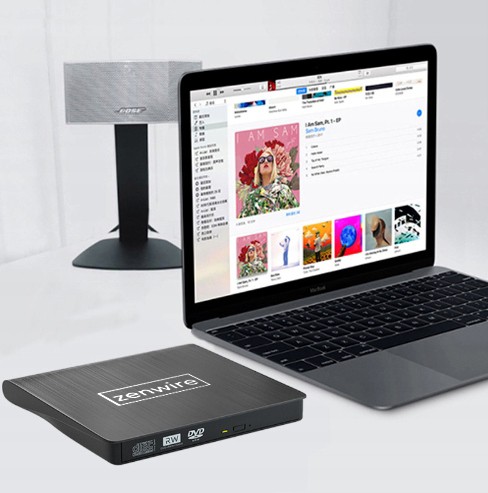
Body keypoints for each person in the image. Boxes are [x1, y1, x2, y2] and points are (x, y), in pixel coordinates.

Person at [239, 148, 298, 218]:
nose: (266, 161)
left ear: (273, 166)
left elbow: (297, 214)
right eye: (262, 160)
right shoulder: (252, 197)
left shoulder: (284, 190)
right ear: (258, 169)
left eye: (269, 159)